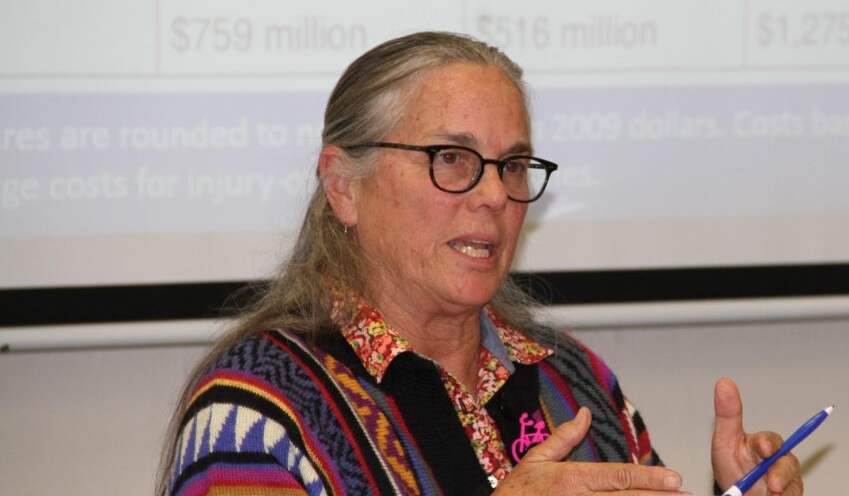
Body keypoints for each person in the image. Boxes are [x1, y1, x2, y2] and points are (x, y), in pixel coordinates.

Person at [158, 31, 803, 495]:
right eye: (453, 159)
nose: (495, 195)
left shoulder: (575, 380)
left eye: (513, 166)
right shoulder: (257, 411)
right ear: (344, 187)